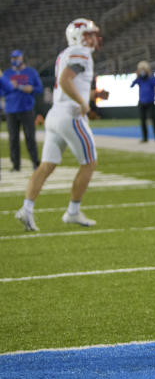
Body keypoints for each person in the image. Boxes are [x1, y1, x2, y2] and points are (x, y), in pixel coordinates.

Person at [15, 19, 106, 232]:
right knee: (90, 162)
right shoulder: (80, 53)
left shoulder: (65, 53)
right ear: (79, 36)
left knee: (47, 165)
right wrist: (83, 103)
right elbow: (66, 80)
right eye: (89, 34)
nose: (94, 38)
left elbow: (69, 81)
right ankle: (73, 211)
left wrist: (88, 96)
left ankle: (26, 209)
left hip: (55, 114)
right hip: (70, 115)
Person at [3, 49, 43, 171]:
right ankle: (16, 165)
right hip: (11, 110)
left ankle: (36, 163)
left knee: (30, 137)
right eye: (13, 58)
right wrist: (10, 86)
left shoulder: (31, 72)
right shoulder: (7, 73)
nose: (15, 61)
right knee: (13, 139)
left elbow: (39, 88)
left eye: (17, 58)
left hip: (26, 109)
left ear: (22, 58)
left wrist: (29, 89)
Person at [131, 61, 155, 142]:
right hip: (142, 102)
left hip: (150, 102)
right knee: (143, 121)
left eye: (143, 69)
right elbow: (132, 85)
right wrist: (137, 76)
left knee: (154, 120)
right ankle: (145, 138)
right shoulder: (139, 79)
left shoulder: (151, 77)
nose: (142, 71)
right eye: (140, 69)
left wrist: (149, 75)